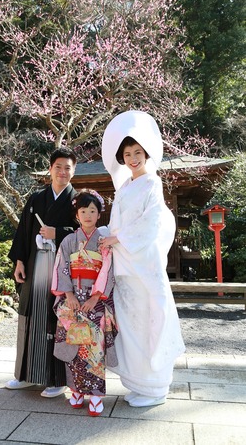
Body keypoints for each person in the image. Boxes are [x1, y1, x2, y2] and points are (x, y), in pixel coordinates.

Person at [100, 110, 185, 408]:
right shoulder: (124, 186)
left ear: (147, 154)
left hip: (142, 264)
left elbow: (151, 223)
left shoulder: (152, 183)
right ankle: (140, 383)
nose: (133, 158)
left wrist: (118, 238)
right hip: (126, 266)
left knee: (149, 322)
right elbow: (118, 224)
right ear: (121, 158)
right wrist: (105, 235)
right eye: (127, 153)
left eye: (138, 152)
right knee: (131, 326)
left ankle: (156, 388)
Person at [5, 147, 78, 398]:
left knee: (57, 319)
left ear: (73, 171)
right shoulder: (37, 198)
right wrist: (19, 261)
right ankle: (26, 375)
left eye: (67, 168)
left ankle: (58, 378)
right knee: (30, 316)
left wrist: (57, 232)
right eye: (58, 167)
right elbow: (24, 231)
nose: (62, 172)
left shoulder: (78, 201)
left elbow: (85, 231)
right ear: (50, 169)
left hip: (62, 271)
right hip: (36, 265)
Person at [51, 190, 118, 416]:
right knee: (74, 346)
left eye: (92, 210)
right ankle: (76, 390)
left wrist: (95, 297)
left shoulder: (103, 241)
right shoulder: (69, 240)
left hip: (95, 300)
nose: (88, 215)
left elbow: (108, 270)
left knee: (94, 348)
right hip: (72, 301)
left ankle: (96, 394)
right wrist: (68, 295)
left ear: (99, 214)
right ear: (77, 215)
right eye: (83, 211)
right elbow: (61, 267)